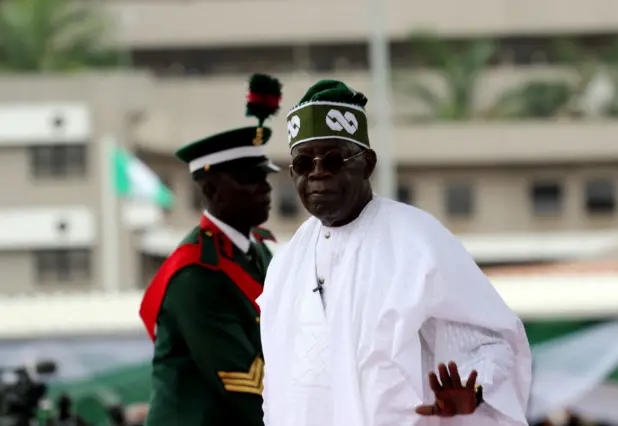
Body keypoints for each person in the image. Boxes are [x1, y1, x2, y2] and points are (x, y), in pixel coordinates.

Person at [258, 80, 532, 426]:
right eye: (303, 163)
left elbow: (494, 343)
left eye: (332, 160)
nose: (317, 174)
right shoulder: (285, 263)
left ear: (366, 163)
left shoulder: (417, 243)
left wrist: (472, 390)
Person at [139, 74, 282, 426]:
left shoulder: (259, 251)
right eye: (251, 179)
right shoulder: (196, 274)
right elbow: (245, 382)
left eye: (265, 177)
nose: (265, 188)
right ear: (213, 191)